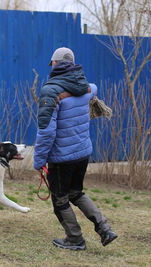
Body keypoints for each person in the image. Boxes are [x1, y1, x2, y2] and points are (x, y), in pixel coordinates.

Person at [33, 47, 117, 251]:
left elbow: (46, 132)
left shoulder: (51, 91)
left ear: (55, 64)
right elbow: (94, 88)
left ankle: (75, 239)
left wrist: (38, 160)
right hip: (82, 153)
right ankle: (104, 228)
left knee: (60, 199)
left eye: (52, 63)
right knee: (76, 193)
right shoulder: (87, 88)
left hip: (62, 158)